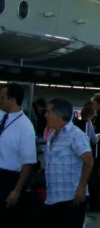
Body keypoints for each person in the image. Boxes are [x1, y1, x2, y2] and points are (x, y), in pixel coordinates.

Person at [41, 98, 94, 227]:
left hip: (70, 198)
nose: (45, 115)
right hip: (53, 198)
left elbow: (88, 159)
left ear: (58, 115)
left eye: (48, 112)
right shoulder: (52, 135)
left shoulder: (75, 135)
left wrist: (82, 186)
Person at [0, 83, 37, 223]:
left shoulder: (25, 127)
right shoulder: (2, 116)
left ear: (12, 100)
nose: (0, 100)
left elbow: (28, 162)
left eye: (2, 98)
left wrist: (17, 190)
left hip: (8, 178)